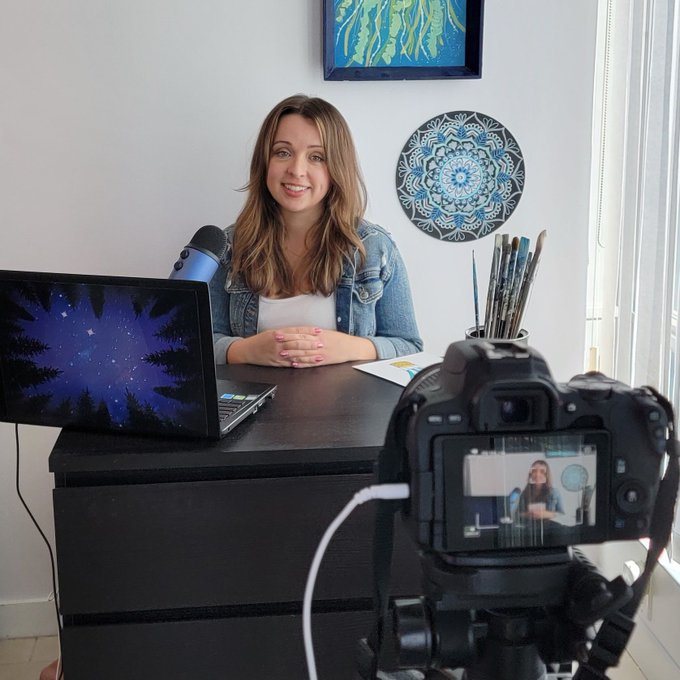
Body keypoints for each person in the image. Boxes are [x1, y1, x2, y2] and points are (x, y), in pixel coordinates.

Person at [209, 94, 423, 367]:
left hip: (351, 397)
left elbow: (410, 348)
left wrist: (351, 347)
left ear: (337, 168)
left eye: (317, 157)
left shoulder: (373, 247)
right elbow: (194, 345)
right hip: (253, 397)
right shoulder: (228, 247)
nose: (297, 170)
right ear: (264, 161)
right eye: (282, 152)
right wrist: (245, 351)